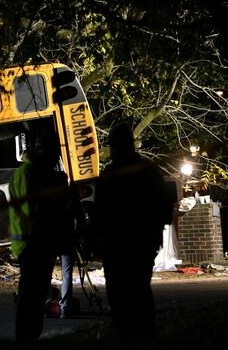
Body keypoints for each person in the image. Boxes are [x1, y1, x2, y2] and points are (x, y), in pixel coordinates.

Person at [94, 122, 173, 342]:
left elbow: (100, 211)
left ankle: (127, 334)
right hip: (143, 242)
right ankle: (145, 333)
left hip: (117, 244)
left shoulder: (109, 174)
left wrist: (95, 237)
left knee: (119, 293)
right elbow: (165, 206)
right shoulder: (149, 170)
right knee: (140, 289)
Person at [8, 131, 79, 343]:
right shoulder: (32, 175)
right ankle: (26, 337)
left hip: (35, 245)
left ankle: (29, 336)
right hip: (34, 245)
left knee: (35, 295)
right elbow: (36, 211)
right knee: (32, 295)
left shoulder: (30, 173)